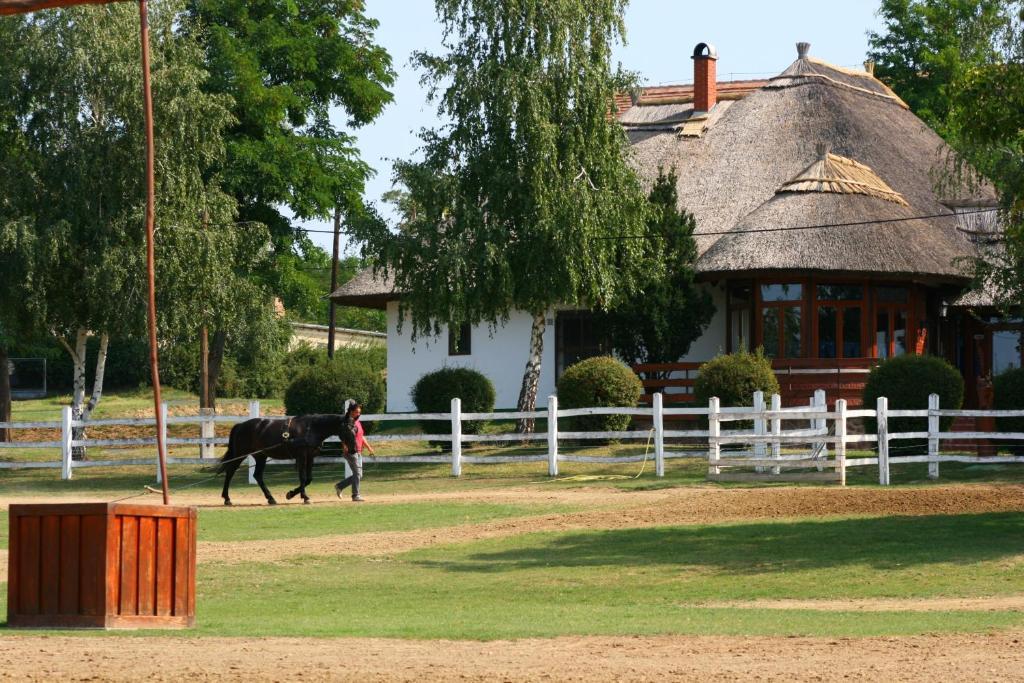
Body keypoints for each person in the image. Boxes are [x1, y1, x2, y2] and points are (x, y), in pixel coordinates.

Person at [335, 399, 374, 502]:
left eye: (359, 412)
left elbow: (361, 436)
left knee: (359, 475)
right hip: (351, 451)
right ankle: (355, 495)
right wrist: (344, 445)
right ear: (351, 411)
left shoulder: (357, 422)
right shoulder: (347, 422)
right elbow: (343, 435)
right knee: (357, 474)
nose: (358, 414)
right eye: (357, 412)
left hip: (359, 451)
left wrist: (369, 447)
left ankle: (340, 486)